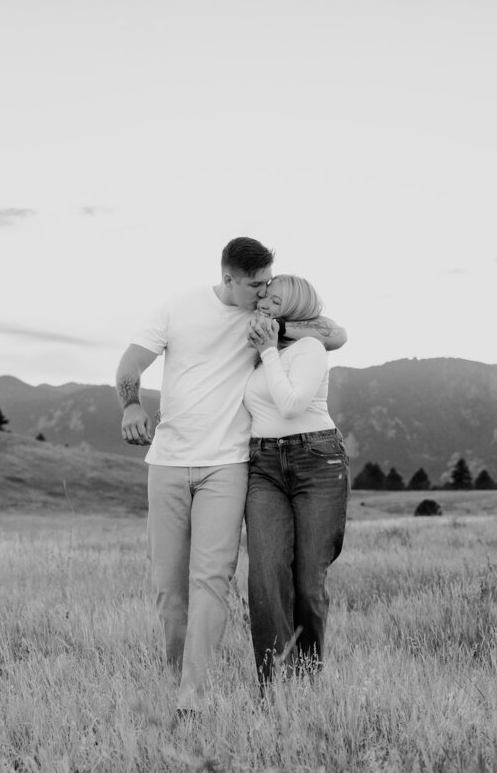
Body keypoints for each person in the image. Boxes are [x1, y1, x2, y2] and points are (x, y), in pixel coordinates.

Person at [116, 238, 345, 717]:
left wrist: (277, 326)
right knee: (168, 588)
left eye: (269, 284)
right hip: (168, 461)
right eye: (256, 285)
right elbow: (131, 362)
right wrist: (131, 403)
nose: (263, 293)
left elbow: (336, 334)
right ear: (228, 279)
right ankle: (176, 675)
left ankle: (192, 698)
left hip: (228, 464)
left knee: (212, 581)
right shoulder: (177, 307)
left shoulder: (263, 319)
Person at [243, 274, 350, 688]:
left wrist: (270, 350)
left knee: (307, 584)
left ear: (294, 307)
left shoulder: (309, 348)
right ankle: (275, 688)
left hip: (316, 460)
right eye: (264, 297)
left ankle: (307, 680)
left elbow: (291, 405)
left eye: (275, 299)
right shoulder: (258, 352)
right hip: (263, 464)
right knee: (265, 576)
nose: (264, 303)